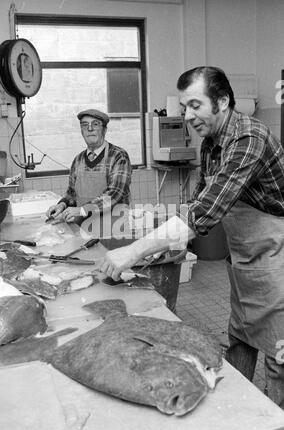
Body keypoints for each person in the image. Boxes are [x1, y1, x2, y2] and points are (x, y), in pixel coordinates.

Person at [100, 66, 284, 409]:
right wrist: (161, 251)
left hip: (278, 259)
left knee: (279, 357)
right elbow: (195, 203)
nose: (188, 115)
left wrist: (132, 251)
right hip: (246, 260)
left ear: (223, 101)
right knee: (240, 338)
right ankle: (234, 414)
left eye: (195, 105)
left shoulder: (249, 139)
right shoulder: (212, 145)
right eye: (184, 107)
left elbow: (202, 215)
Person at [46, 109, 132, 225]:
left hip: (114, 226)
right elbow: (72, 193)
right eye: (85, 125)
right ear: (81, 131)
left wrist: (81, 210)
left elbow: (114, 194)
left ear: (104, 130)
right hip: (86, 226)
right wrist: (62, 205)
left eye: (95, 124)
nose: (90, 128)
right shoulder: (78, 160)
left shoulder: (118, 156)